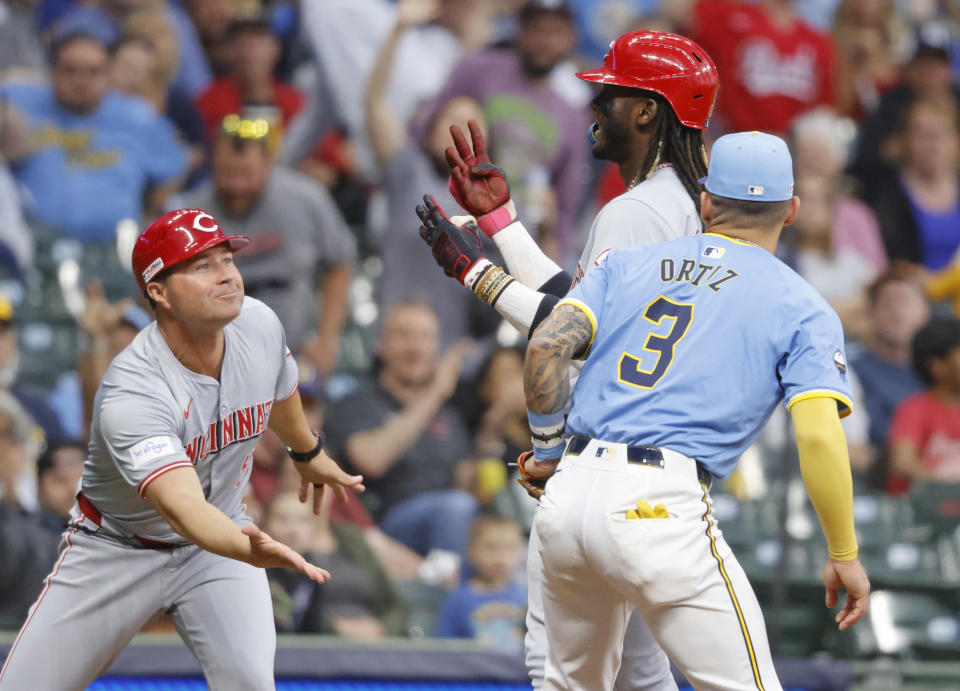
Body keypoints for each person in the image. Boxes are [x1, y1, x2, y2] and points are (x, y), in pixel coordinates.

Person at [417, 29, 718, 691]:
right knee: (641, 672)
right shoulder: (677, 203)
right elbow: (579, 306)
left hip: (607, 467)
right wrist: (502, 226)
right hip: (656, 468)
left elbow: (575, 335)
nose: (594, 108)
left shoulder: (639, 211)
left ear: (646, 110)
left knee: (560, 670)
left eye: (609, 94)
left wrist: (478, 276)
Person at [517, 131, 870, 689]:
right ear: (792, 210)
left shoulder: (626, 264)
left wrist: (548, 451)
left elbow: (544, 346)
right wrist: (844, 551)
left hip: (569, 497)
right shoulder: (802, 304)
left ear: (706, 203)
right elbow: (821, 438)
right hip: (658, 505)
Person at [0, 208, 364, 690]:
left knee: (251, 682)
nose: (227, 276)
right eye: (202, 266)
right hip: (119, 548)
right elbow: (183, 509)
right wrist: (247, 546)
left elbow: (279, 388)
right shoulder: (133, 391)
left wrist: (306, 452)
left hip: (218, 545)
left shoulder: (257, 322)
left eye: (226, 258)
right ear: (158, 291)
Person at [184, 118, 356, 376]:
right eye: (227, 174)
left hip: (295, 351)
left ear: (269, 165)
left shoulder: (306, 199)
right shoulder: (188, 216)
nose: (237, 186)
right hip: (214, 361)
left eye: (246, 174)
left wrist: (325, 341)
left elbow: (340, 265)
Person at [419, 0, 589, 258]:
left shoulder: (574, 115)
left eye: (555, 32)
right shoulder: (478, 69)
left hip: (518, 244)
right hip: (455, 225)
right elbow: (426, 131)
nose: (545, 41)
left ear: (571, 38)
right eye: (537, 29)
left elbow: (566, 206)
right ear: (519, 30)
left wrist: (552, 248)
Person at [324, 302, 478, 561]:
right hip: (384, 527)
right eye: (404, 335)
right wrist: (435, 393)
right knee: (457, 508)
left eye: (425, 337)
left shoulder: (449, 415)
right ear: (380, 344)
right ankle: (446, 595)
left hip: (452, 522)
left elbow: (467, 483)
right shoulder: (357, 401)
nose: (415, 348)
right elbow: (371, 461)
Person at [1, 32, 189, 243]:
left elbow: (179, 164)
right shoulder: (21, 101)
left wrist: (150, 211)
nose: (81, 81)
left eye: (93, 72)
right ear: (52, 72)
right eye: (70, 70)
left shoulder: (136, 117)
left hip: (115, 250)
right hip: (36, 244)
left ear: (108, 76)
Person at [264, 491, 405, 638]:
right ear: (265, 525)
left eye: (303, 521)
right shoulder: (260, 572)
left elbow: (311, 627)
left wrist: (382, 629)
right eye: (282, 519)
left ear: (313, 531)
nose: (293, 530)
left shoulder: (311, 574)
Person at [689, 0, 836, 136]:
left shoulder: (818, 42)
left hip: (792, 149)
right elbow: (694, 74)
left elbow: (824, 111)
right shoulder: (729, 20)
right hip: (732, 136)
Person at [850, 272, 928, 480]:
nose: (897, 312)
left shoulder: (942, 371)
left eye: (905, 301)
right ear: (871, 313)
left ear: (924, 311)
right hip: (880, 480)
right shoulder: (851, 371)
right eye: (887, 304)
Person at [435, 514, 527, 655]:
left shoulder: (527, 598)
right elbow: (443, 649)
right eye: (490, 548)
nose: (501, 559)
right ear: (471, 551)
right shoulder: (458, 600)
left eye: (510, 548)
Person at [887, 317, 960, 494]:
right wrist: (947, 488)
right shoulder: (914, 409)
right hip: (924, 514)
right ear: (936, 366)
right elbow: (902, 463)